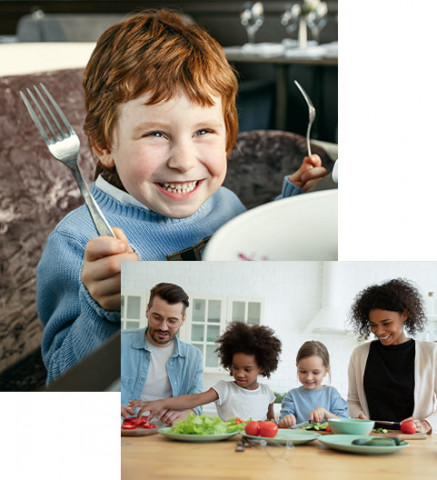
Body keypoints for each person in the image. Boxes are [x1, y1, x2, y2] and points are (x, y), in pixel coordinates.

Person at [36, 9, 327, 384]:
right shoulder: (76, 245)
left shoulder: (224, 203)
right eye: (156, 134)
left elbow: (239, 252)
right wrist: (102, 310)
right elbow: (61, 378)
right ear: (104, 144)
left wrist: (290, 200)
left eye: (204, 131)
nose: (184, 161)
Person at [130, 322, 282, 422]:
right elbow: (194, 400)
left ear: (262, 367)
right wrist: (161, 403)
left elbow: (270, 419)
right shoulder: (224, 388)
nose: (240, 373)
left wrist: (276, 423)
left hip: (258, 447)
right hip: (228, 447)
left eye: (247, 369)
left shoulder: (267, 392)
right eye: (235, 367)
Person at [347, 278, 437, 434]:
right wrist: (358, 415)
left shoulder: (431, 354)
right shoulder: (359, 354)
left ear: (404, 315)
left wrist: (426, 424)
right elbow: (353, 400)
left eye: (386, 323)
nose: (379, 331)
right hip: (371, 439)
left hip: (415, 442)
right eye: (373, 325)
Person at [121, 282, 203, 426]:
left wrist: (187, 413)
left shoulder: (193, 356)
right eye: (157, 317)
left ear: (183, 319)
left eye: (172, 321)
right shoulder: (121, 342)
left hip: (167, 434)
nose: (163, 327)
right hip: (124, 430)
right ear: (147, 311)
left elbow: (197, 403)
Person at [278, 340, 348, 427]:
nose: (308, 377)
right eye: (303, 371)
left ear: (326, 371)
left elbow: (345, 422)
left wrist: (326, 414)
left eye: (315, 372)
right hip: (301, 439)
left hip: (326, 440)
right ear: (297, 367)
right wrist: (287, 421)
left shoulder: (331, 394)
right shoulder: (292, 396)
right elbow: (281, 423)